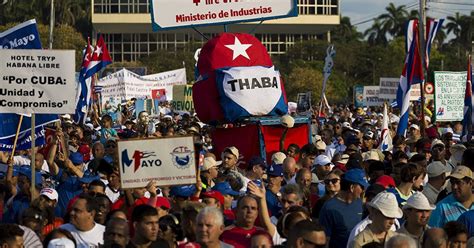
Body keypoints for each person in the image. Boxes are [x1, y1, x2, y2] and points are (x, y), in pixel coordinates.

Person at [319, 168, 368, 248]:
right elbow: (325, 240)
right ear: (352, 187)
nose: (363, 191)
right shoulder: (329, 208)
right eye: (362, 187)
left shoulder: (360, 204)